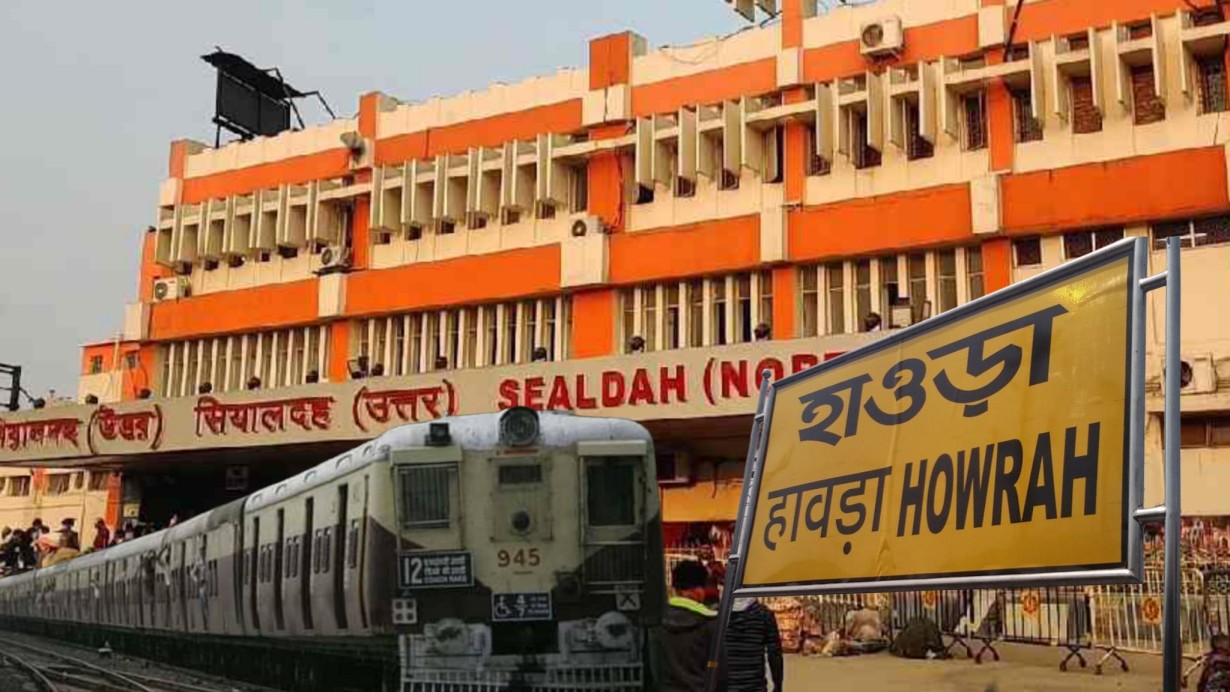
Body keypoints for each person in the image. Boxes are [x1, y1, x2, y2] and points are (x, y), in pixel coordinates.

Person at [661, 559, 718, 691]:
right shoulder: (710, 623)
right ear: (699, 590)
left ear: (675, 588)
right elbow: (720, 674)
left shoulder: (657, 623)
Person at [724, 598, 784, 692]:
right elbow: (775, 654)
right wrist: (778, 685)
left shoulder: (718, 615)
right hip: (755, 686)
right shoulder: (764, 614)